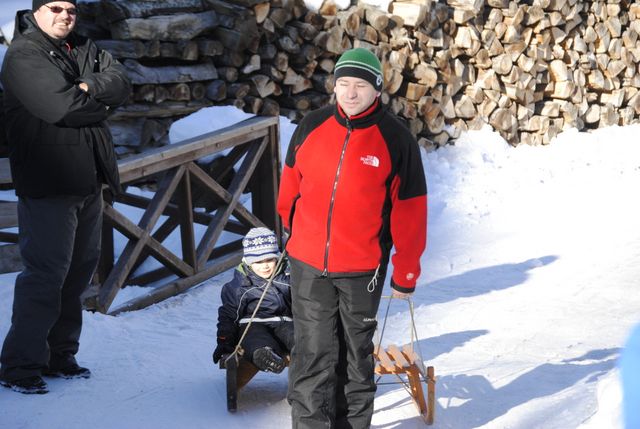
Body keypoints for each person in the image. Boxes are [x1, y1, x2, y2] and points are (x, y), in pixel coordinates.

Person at [277, 47, 427, 428]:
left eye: (359, 85)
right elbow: (290, 186)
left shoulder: (396, 140)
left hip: (362, 270)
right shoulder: (312, 125)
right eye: (343, 83)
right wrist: (295, 235)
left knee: (355, 359)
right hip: (308, 265)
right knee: (312, 354)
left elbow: (410, 210)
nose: (350, 92)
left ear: (377, 89)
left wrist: (406, 271)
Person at [0, 0, 131, 394]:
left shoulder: (83, 46)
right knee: (45, 275)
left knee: (77, 274)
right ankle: (20, 365)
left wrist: (89, 88)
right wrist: (95, 99)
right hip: (48, 182)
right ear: (36, 11)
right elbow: (62, 108)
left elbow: (121, 82)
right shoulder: (24, 54)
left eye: (71, 9)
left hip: (88, 180)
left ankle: (60, 354)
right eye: (55, 7)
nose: (64, 16)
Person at [213, 227, 294, 374]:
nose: (265, 266)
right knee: (254, 339)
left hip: (285, 323)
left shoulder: (288, 278)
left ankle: (304, 351)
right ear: (248, 262)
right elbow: (229, 315)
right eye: (258, 262)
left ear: (277, 257)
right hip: (253, 324)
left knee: (296, 335)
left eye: (269, 260)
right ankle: (263, 355)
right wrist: (224, 340)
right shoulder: (240, 285)